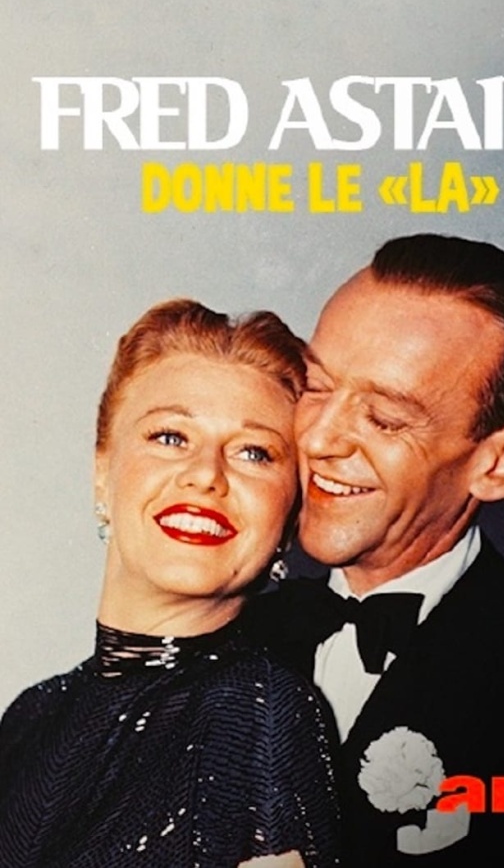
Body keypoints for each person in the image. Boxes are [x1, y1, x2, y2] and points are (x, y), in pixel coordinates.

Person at [245, 234, 504, 866]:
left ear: (501, 462)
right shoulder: (220, 630)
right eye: (315, 385)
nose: (318, 439)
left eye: (385, 418)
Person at [0, 299, 340, 868]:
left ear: (288, 518)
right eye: (171, 437)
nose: (206, 474)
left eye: (254, 452)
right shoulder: (31, 717)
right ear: (102, 471)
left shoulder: (260, 714)